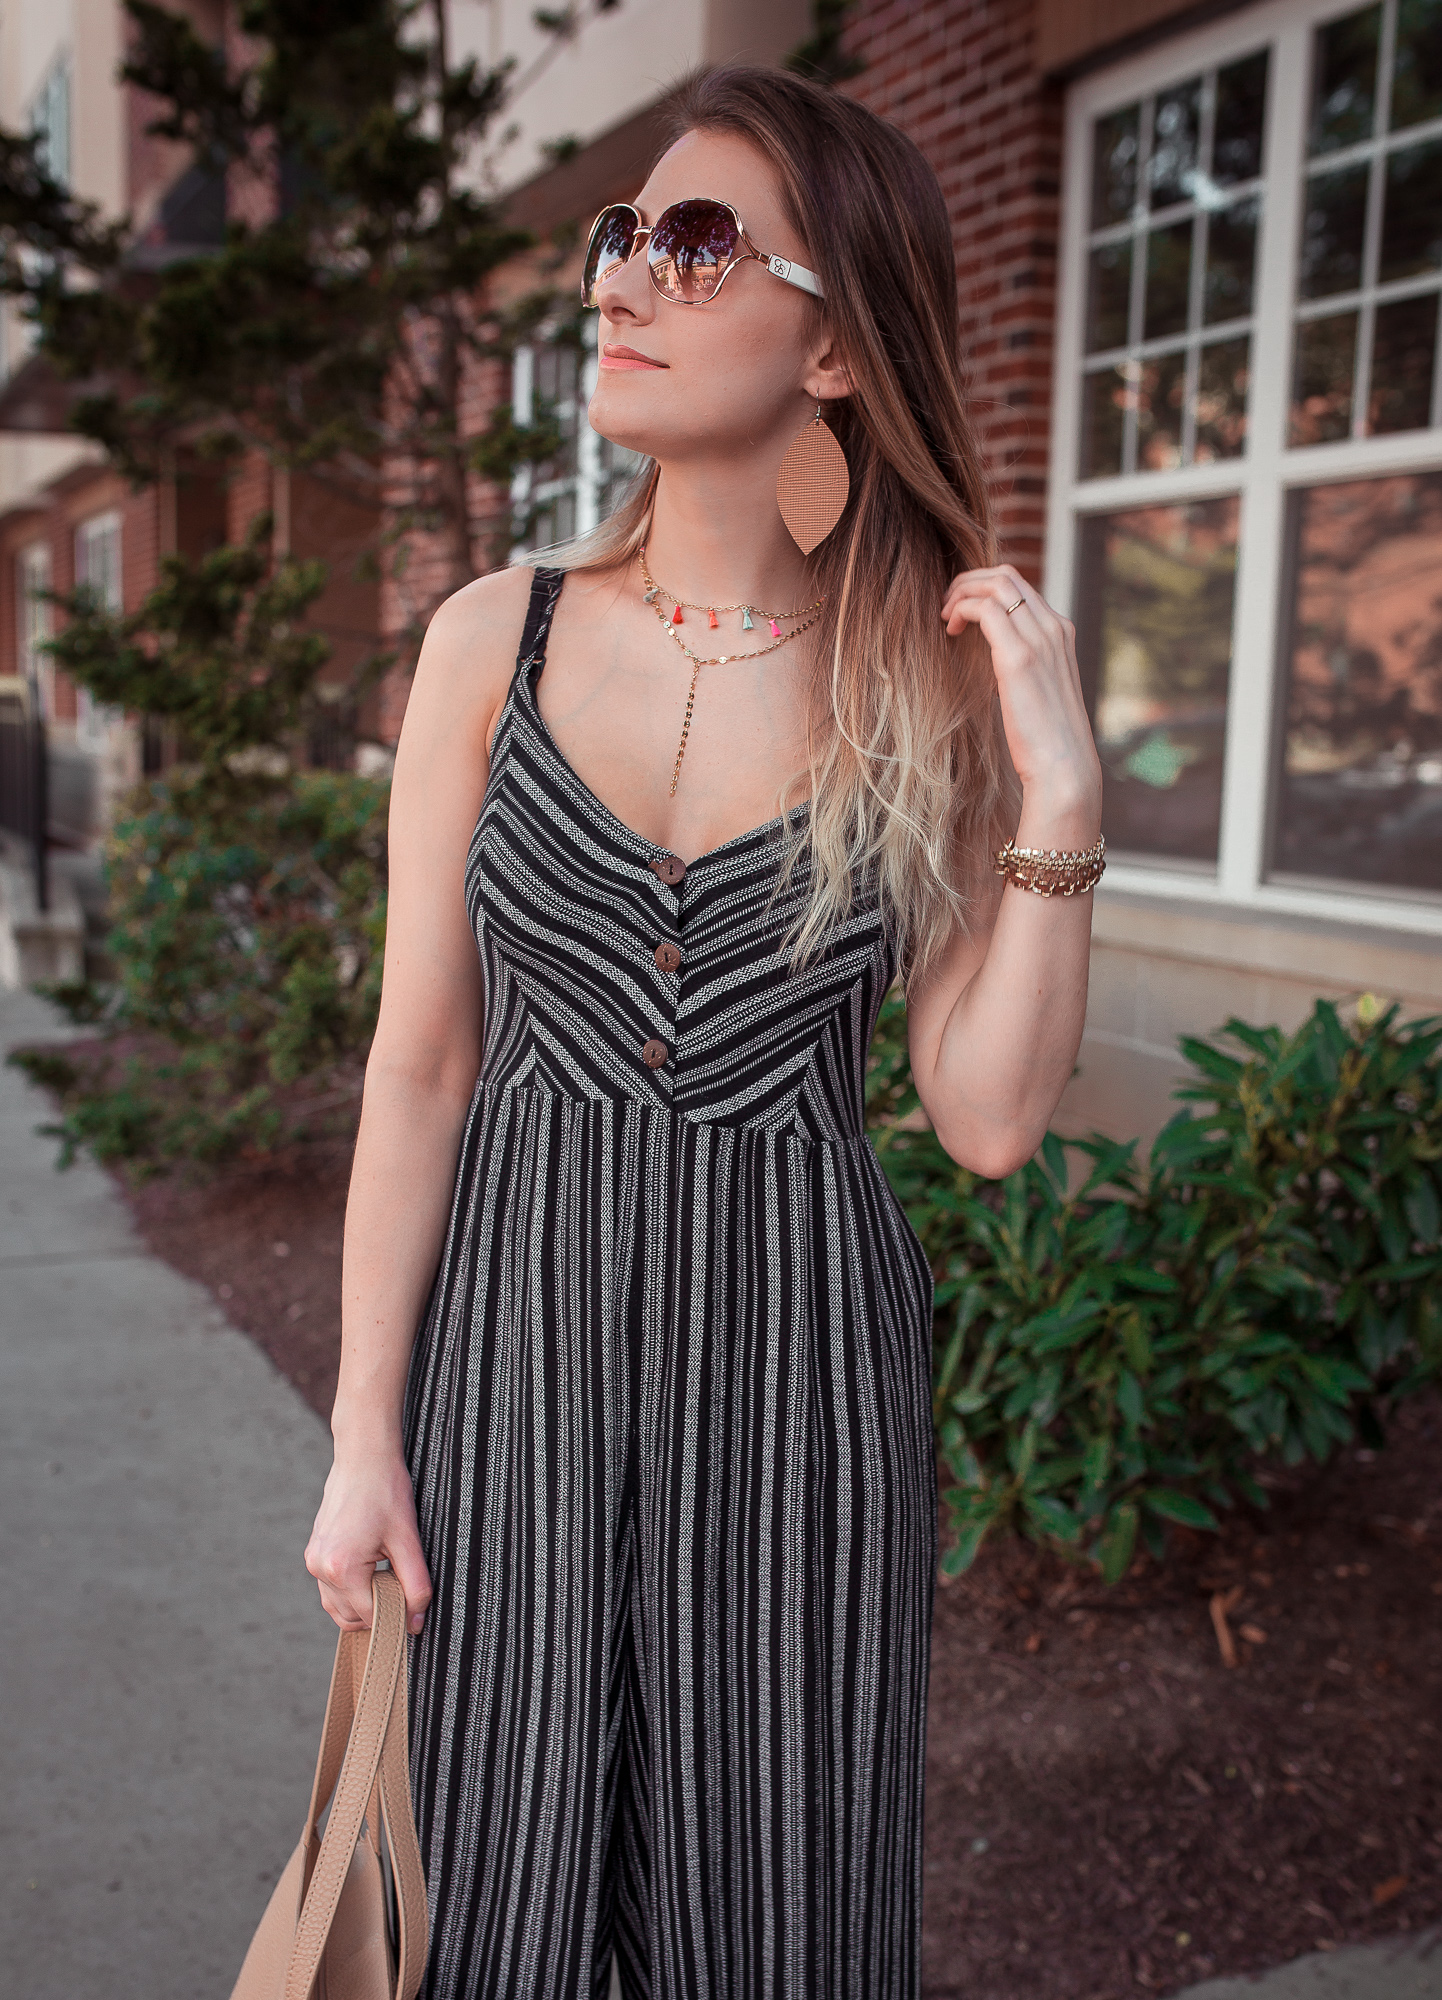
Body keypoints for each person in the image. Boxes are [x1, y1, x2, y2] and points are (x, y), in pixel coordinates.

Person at [303, 61, 1103, 2000]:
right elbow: (424, 1060)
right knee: (499, 1868)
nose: (620, 283)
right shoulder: (491, 639)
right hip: (517, 1366)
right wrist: (361, 1426)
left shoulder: (921, 680)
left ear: (836, 349)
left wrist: (1064, 818)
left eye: (694, 241)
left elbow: (983, 1114)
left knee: (771, 1896)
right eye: (616, 239)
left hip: (797, 1389)